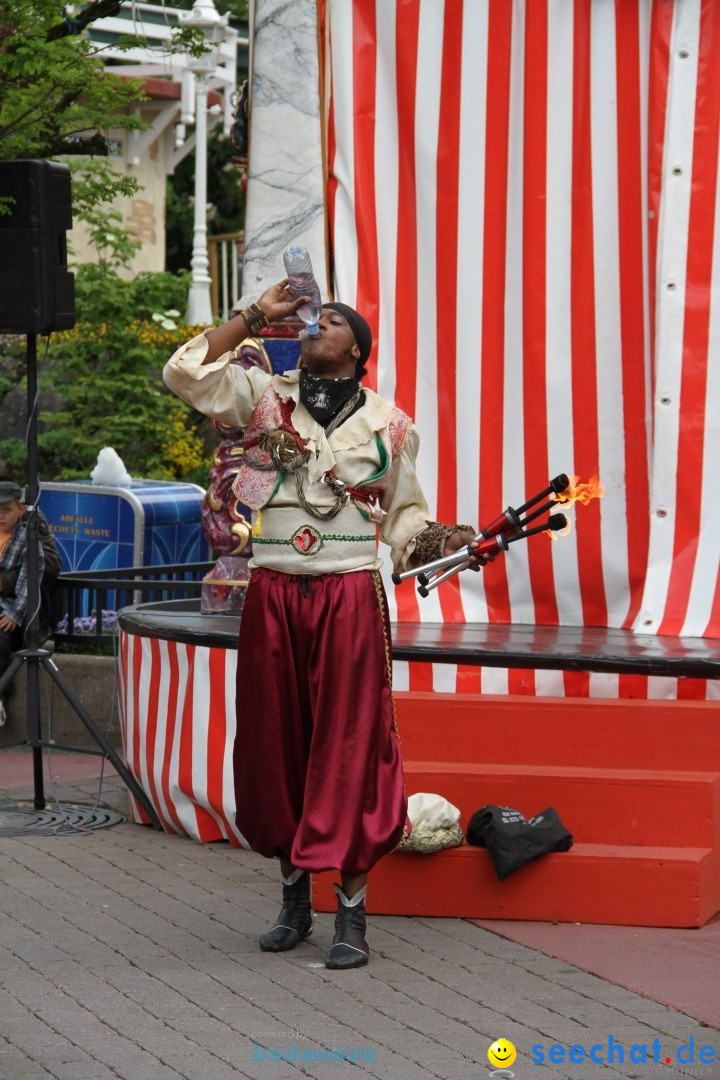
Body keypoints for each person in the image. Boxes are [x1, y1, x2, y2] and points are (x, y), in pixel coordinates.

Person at [163, 281, 486, 969]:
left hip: (346, 594)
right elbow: (183, 372)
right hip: (275, 590)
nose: (317, 323)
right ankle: (292, 899)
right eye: (315, 317)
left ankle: (352, 914)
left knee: (350, 748)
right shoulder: (262, 397)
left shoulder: (391, 424)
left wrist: (447, 542)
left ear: (358, 351)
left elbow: (405, 522)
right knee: (276, 745)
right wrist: (255, 316)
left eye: (334, 321)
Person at [0, 481, 52, 727]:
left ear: (20, 510)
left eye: (6, 509)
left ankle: (0, 696)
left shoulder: (28, 539)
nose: (1, 515)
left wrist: (14, 613)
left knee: (0, 641)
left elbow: (30, 581)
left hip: (13, 614)